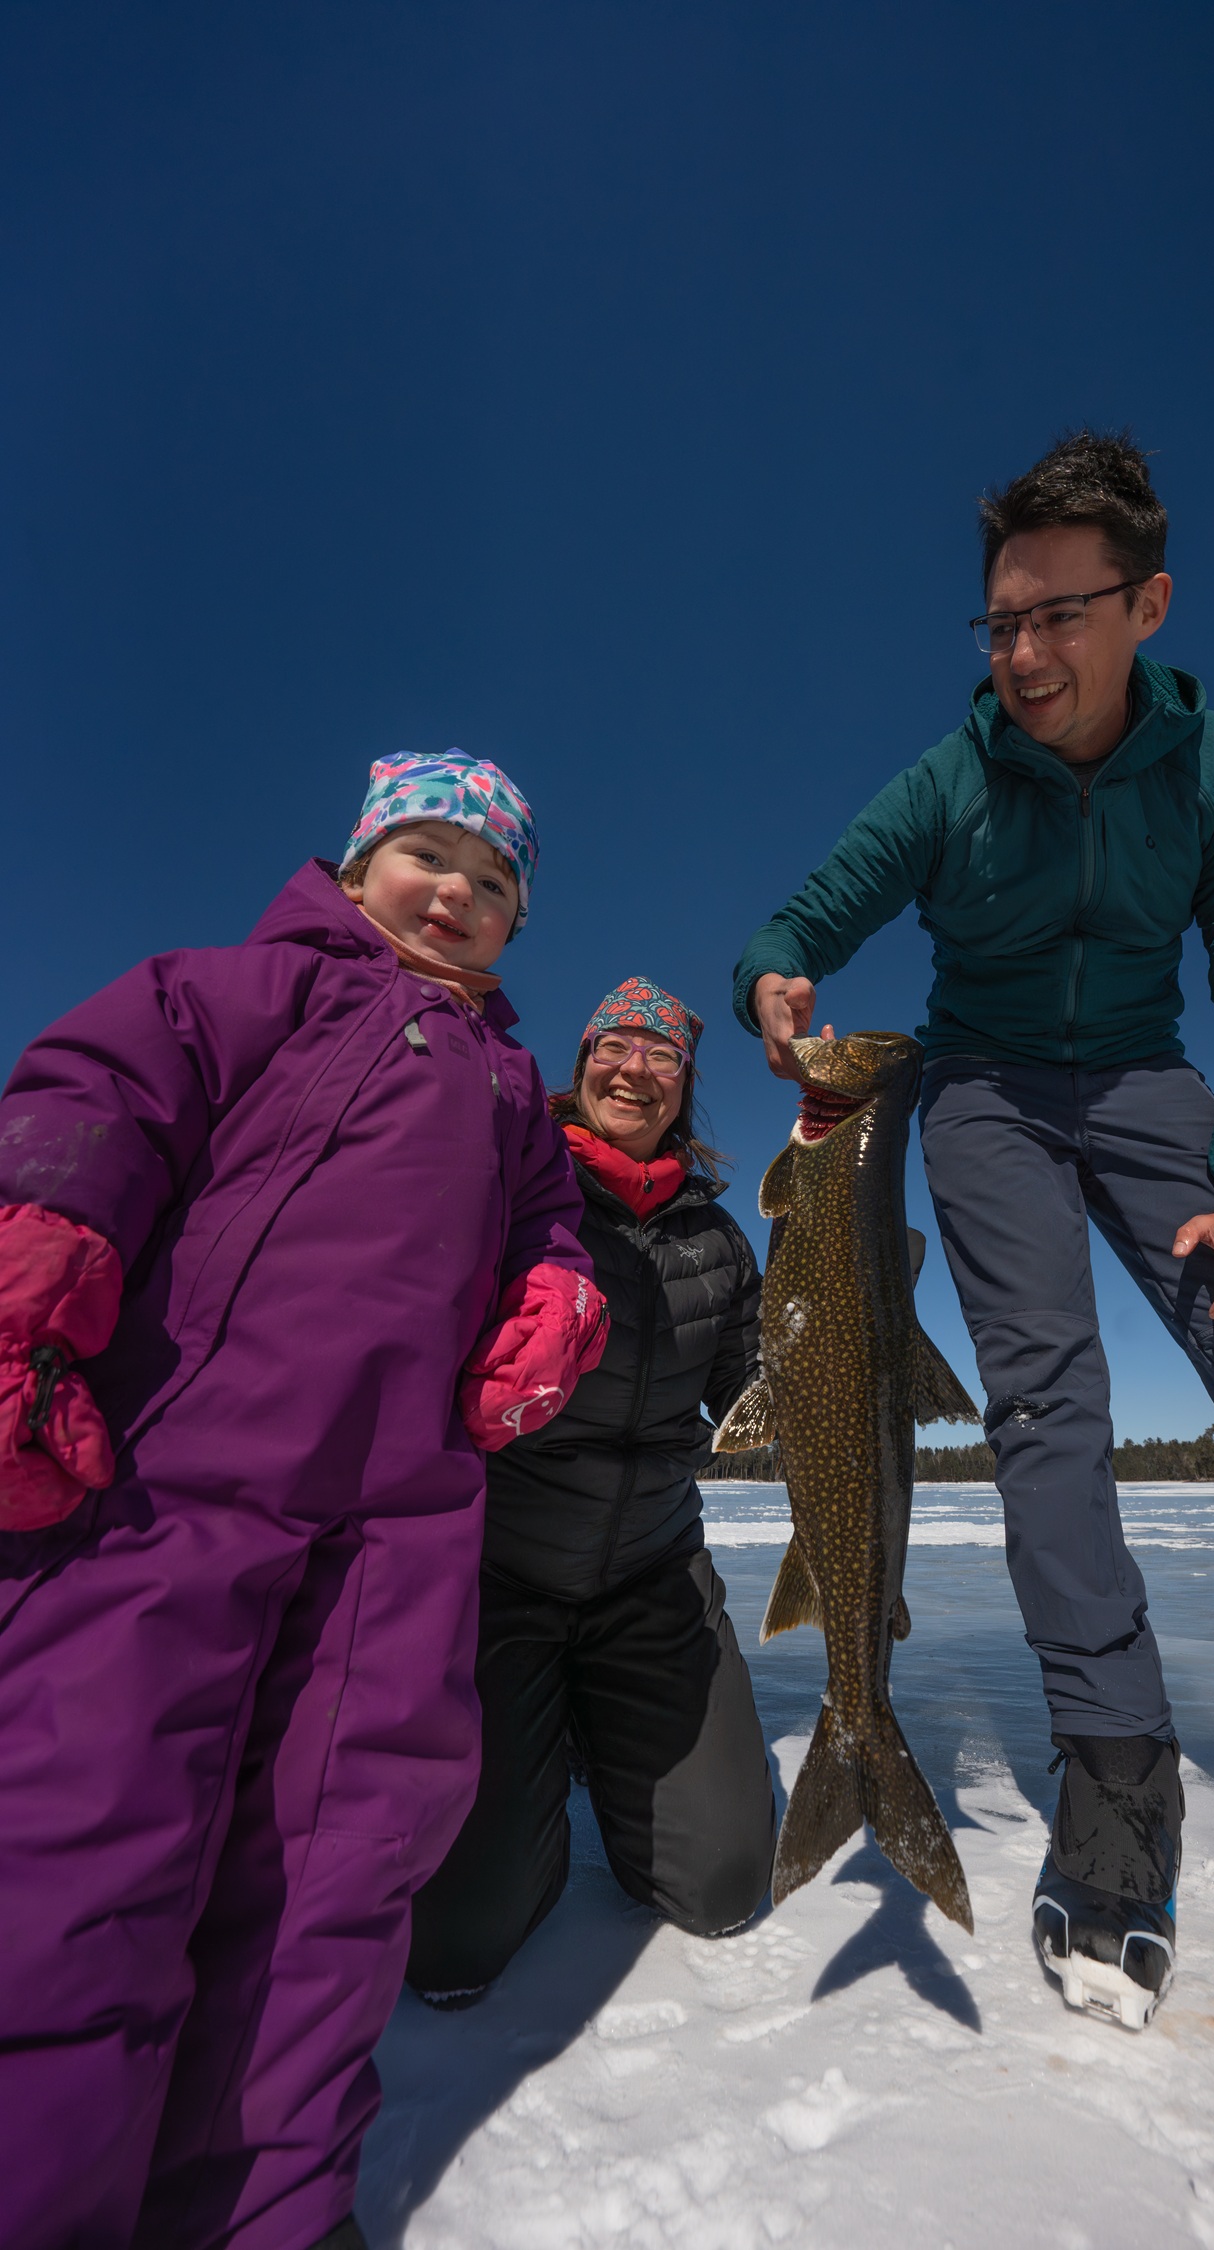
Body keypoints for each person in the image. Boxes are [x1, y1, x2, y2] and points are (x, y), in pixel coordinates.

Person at [732, 432, 1214, 2027]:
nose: (1021, 654)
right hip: (995, 1096)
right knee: (1046, 1411)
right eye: (998, 622)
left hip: (1153, 1087)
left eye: (1057, 617)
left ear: (1147, 605)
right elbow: (803, 915)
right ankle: (1116, 1775)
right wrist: (775, 978)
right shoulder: (951, 785)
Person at [0, 751, 608, 2250]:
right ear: (350, 869)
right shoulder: (225, 988)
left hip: (398, 1531)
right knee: (86, 1840)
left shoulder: (517, 1094)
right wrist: (41, 1255)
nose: (458, 889)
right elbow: (98, 1096)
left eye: (497, 881)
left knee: (336, 1876)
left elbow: (549, 1224)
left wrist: (559, 1294)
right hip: (160, 1486)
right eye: (427, 854)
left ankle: (262, 2207)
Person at [407, 976, 776, 2010]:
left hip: (650, 1577)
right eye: (615, 1045)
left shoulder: (716, 1240)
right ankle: (542, 1734)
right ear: (580, 1068)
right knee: (452, 1945)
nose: (636, 1067)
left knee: (721, 1887)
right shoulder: (519, 1194)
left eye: (663, 1055)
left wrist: (813, 1309)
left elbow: (753, 1399)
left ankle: (602, 1730)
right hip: (501, 1577)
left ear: (684, 1087)